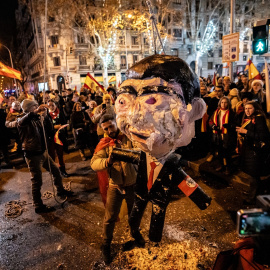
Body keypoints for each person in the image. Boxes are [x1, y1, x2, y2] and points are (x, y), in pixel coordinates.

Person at [115, 54, 209, 245]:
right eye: (125, 101)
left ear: (194, 111)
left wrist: (201, 199)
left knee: (156, 222)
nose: (134, 117)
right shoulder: (143, 155)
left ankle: (153, 242)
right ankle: (135, 233)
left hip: (160, 197)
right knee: (134, 217)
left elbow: (184, 181)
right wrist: (112, 154)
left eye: (154, 100)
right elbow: (130, 156)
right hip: (141, 192)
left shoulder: (172, 162)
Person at [90, 114, 137, 264]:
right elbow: (94, 163)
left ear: (116, 123)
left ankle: (135, 236)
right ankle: (106, 245)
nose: (110, 130)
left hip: (132, 184)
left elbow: (141, 150)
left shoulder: (128, 136)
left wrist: (133, 153)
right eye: (106, 128)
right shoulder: (105, 143)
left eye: (111, 126)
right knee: (109, 218)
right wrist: (107, 162)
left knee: (134, 213)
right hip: (115, 186)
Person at [17, 99, 73, 214]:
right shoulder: (23, 119)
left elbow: (49, 129)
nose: (37, 107)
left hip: (43, 151)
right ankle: (38, 205)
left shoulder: (37, 118)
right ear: (29, 108)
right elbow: (21, 122)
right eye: (35, 106)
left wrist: (46, 115)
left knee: (56, 171)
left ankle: (60, 190)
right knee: (37, 181)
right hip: (33, 154)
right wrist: (35, 112)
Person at [236, 101, 270, 200]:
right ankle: (252, 193)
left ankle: (252, 198)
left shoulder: (259, 118)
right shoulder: (251, 118)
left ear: (255, 108)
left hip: (256, 152)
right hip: (251, 151)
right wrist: (242, 132)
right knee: (253, 175)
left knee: (254, 175)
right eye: (246, 108)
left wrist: (246, 131)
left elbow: (262, 136)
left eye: (250, 108)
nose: (247, 110)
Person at [209, 96, 237, 175]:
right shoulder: (216, 112)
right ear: (219, 103)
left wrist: (230, 126)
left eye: (225, 102)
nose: (223, 104)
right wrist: (213, 126)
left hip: (227, 135)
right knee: (220, 151)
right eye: (222, 102)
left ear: (228, 103)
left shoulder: (232, 113)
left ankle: (228, 167)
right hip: (217, 134)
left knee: (227, 152)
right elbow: (210, 121)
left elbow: (236, 124)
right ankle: (221, 165)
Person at [47, 100, 69, 177]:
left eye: (53, 105)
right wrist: (54, 127)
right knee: (52, 156)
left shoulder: (60, 113)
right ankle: (54, 172)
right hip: (51, 138)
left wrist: (62, 127)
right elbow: (45, 127)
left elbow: (64, 122)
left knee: (60, 155)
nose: (51, 107)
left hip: (60, 137)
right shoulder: (46, 115)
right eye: (49, 105)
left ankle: (62, 170)